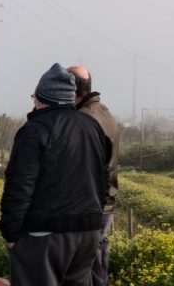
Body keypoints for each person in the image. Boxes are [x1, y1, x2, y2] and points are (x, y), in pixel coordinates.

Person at [0, 63, 111, 286]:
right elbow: (103, 179)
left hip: (44, 234)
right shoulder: (92, 127)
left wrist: (10, 233)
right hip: (87, 232)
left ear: (41, 98)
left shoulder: (35, 130)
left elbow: (20, 185)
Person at [68, 66, 120, 286]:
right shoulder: (103, 112)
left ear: (72, 90)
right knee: (98, 257)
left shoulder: (85, 120)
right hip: (105, 199)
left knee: (90, 263)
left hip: (92, 202)